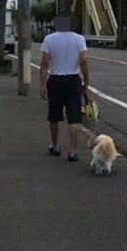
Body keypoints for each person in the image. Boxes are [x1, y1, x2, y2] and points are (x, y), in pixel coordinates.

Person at [39, 14, 91, 162]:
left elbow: (44, 64)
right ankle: (73, 152)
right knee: (75, 118)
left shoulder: (49, 39)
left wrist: (42, 85)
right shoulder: (79, 39)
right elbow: (83, 62)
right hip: (73, 79)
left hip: (55, 80)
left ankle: (55, 147)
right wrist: (86, 83)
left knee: (54, 117)